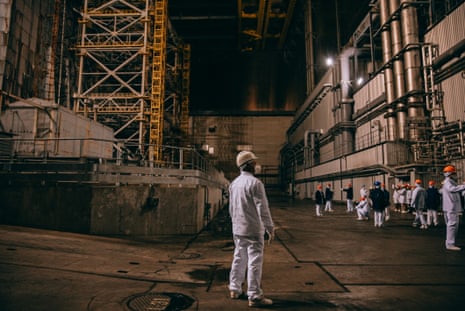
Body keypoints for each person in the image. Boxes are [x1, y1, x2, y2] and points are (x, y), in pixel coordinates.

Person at [228, 151, 275, 307]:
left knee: (239, 258)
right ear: (249, 165)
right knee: (254, 261)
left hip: (238, 228)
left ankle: (234, 289)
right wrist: (269, 227)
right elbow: (263, 208)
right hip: (253, 229)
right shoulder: (255, 184)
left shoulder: (234, 183)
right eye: (254, 163)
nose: (256, 165)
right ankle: (254, 296)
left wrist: (235, 223)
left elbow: (231, 208)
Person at [440, 165, 465, 251]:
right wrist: (463, 186)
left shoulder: (448, 181)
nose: (455, 175)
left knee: (452, 225)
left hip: (450, 206)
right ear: (451, 174)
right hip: (451, 206)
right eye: (454, 173)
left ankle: (450, 243)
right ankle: (450, 244)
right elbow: (452, 189)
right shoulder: (448, 182)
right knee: (452, 225)